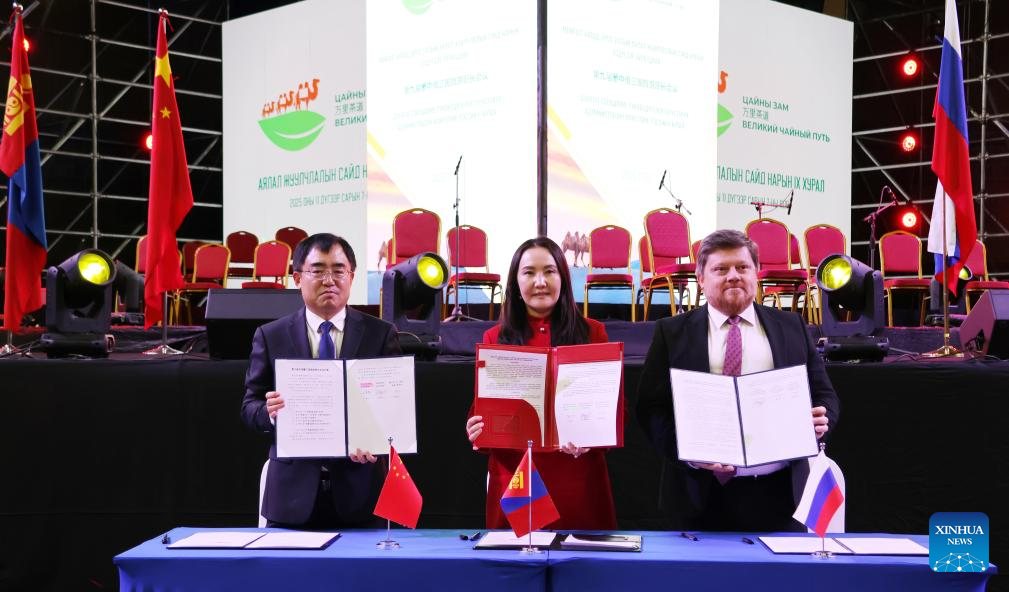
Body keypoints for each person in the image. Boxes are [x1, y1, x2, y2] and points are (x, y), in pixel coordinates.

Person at [636, 229, 839, 532]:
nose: (733, 276)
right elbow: (651, 408)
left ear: (756, 273)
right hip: (697, 496)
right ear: (701, 278)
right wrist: (688, 455)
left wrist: (820, 423)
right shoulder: (672, 332)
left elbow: (825, 396)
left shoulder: (791, 326)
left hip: (780, 497)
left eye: (742, 267)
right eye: (721, 269)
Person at [240, 233, 401, 530]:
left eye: (339, 271)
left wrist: (376, 440)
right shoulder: (271, 335)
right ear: (297, 278)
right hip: (291, 496)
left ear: (352, 277)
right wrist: (270, 413)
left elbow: (394, 409)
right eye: (318, 271)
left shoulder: (380, 334)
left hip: (361, 494)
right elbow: (250, 406)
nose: (329, 280)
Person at [465, 237, 617, 531]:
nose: (540, 282)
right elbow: (481, 411)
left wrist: (593, 436)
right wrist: (476, 428)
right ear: (515, 282)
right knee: (518, 557)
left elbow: (616, 411)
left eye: (549, 271)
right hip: (518, 480)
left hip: (578, 483)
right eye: (529, 272)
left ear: (563, 278)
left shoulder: (593, 333)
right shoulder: (494, 338)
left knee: (582, 558)